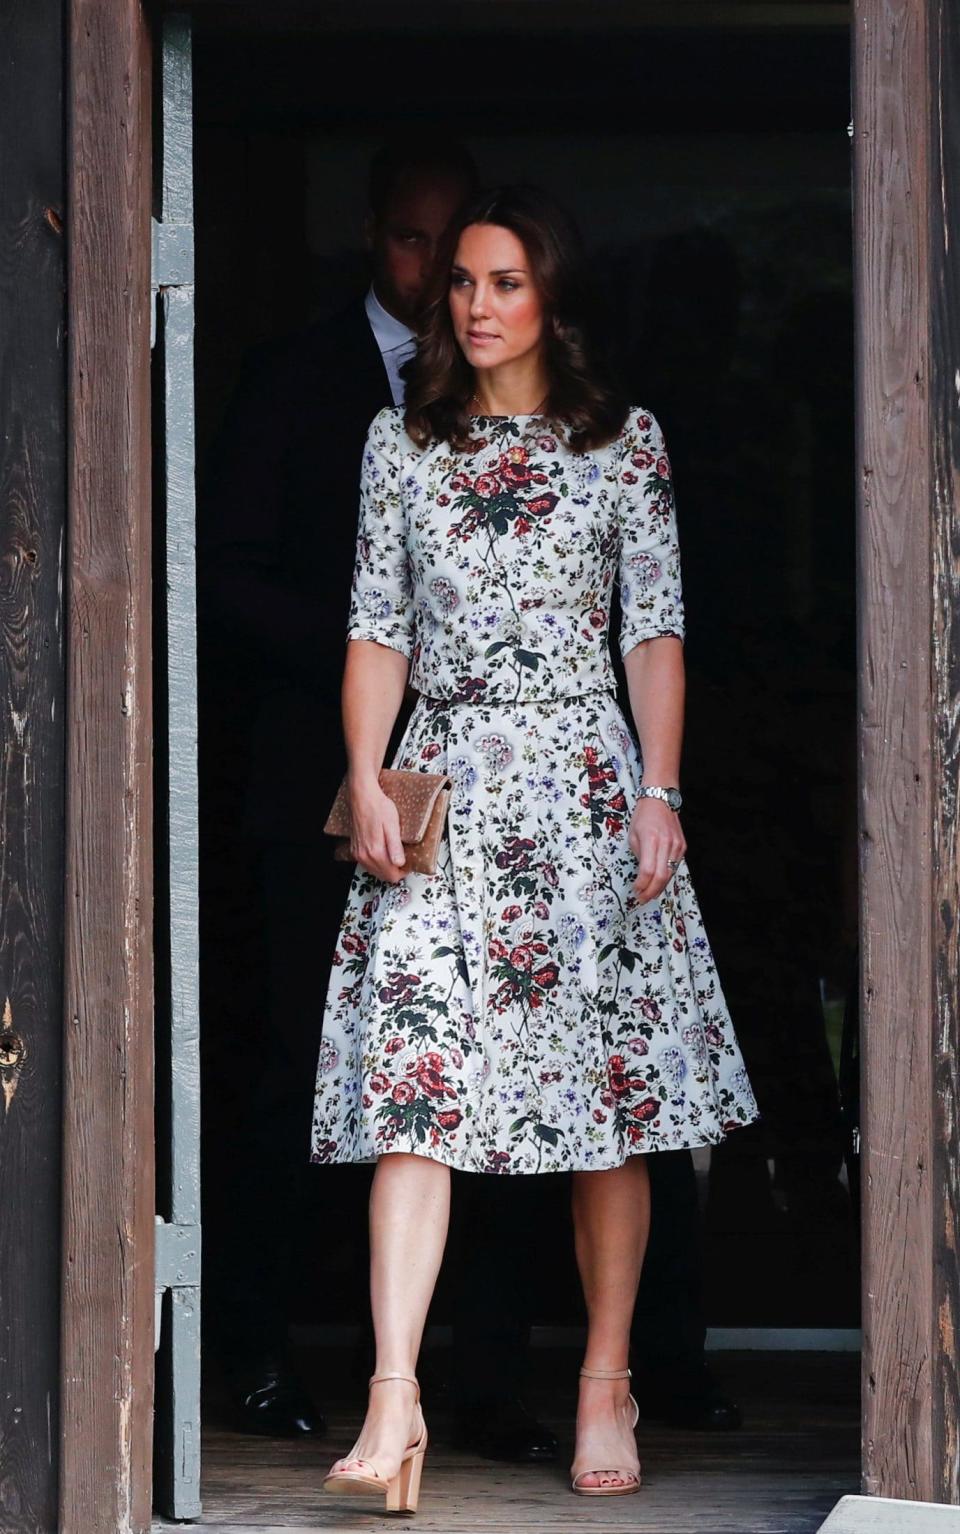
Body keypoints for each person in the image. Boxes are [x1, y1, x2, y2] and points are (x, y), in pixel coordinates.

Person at [312, 184, 760, 1510]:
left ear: (552, 295)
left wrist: (659, 787)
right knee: (415, 1090)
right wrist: (365, 774)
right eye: (461, 281)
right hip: (444, 788)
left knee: (610, 1103)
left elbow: (653, 630)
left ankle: (607, 1379)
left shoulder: (623, 446)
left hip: (583, 785)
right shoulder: (403, 445)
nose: (478, 304)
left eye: (504, 280)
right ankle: (396, 1403)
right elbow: (375, 624)